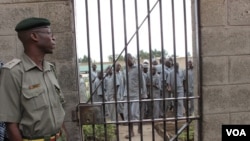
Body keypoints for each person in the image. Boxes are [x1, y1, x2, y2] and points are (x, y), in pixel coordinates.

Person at [0, 17, 67, 141]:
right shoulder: (13, 72)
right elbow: (11, 125)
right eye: (49, 33)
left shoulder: (49, 68)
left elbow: (59, 109)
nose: (53, 38)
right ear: (34, 36)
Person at [122, 53, 147, 138]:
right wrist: (122, 95)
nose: (129, 61)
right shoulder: (125, 70)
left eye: (130, 59)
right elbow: (123, 84)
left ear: (132, 59)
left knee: (134, 113)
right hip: (127, 95)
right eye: (127, 60)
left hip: (136, 94)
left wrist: (144, 94)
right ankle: (131, 132)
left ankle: (139, 126)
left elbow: (142, 82)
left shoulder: (138, 68)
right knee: (127, 114)